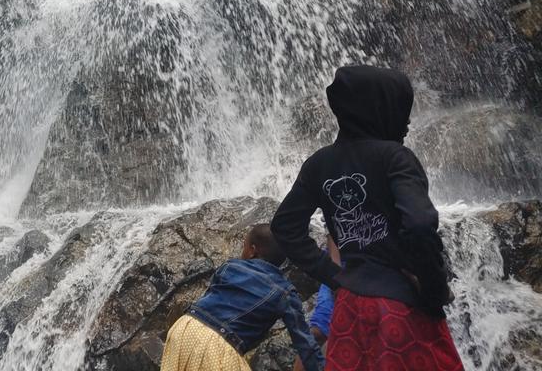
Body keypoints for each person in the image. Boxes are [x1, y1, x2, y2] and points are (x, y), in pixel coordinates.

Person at [271, 65, 464, 371]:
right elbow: (420, 223)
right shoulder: (394, 157)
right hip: (401, 306)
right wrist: (432, 286)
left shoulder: (319, 164)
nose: (409, 121)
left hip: (349, 308)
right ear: (379, 109)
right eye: (400, 108)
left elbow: (284, 227)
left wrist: (335, 277)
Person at [160, 224, 324, 371]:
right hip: (218, 345)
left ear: (252, 250)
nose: (242, 251)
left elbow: (211, 297)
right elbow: (304, 343)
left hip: (185, 327)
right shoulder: (285, 293)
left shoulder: (229, 266)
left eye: (244, 246)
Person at [292, 237, 339, 371]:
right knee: (317, 332)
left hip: (373, 270)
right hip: (339, 267)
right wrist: (336, 274)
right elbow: (333, 233)